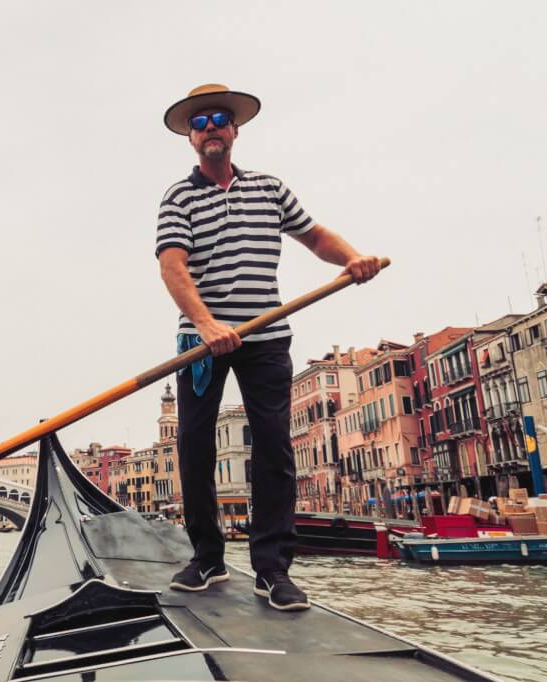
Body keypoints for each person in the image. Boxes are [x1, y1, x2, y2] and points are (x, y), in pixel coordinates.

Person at [156, 83, 380, 611]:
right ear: (191, 138)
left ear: (234, 130)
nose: (210, 127)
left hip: (268, 338)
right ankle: (208, 557)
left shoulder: (269, 188)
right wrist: (208, 324)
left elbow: (315, 235)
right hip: (201, 343)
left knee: (275, 449)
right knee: (193, 446)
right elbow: (172, 265)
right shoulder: (178, 197)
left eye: (219, 119)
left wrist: (352, 259)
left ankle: (272, 569)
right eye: (200, 122)